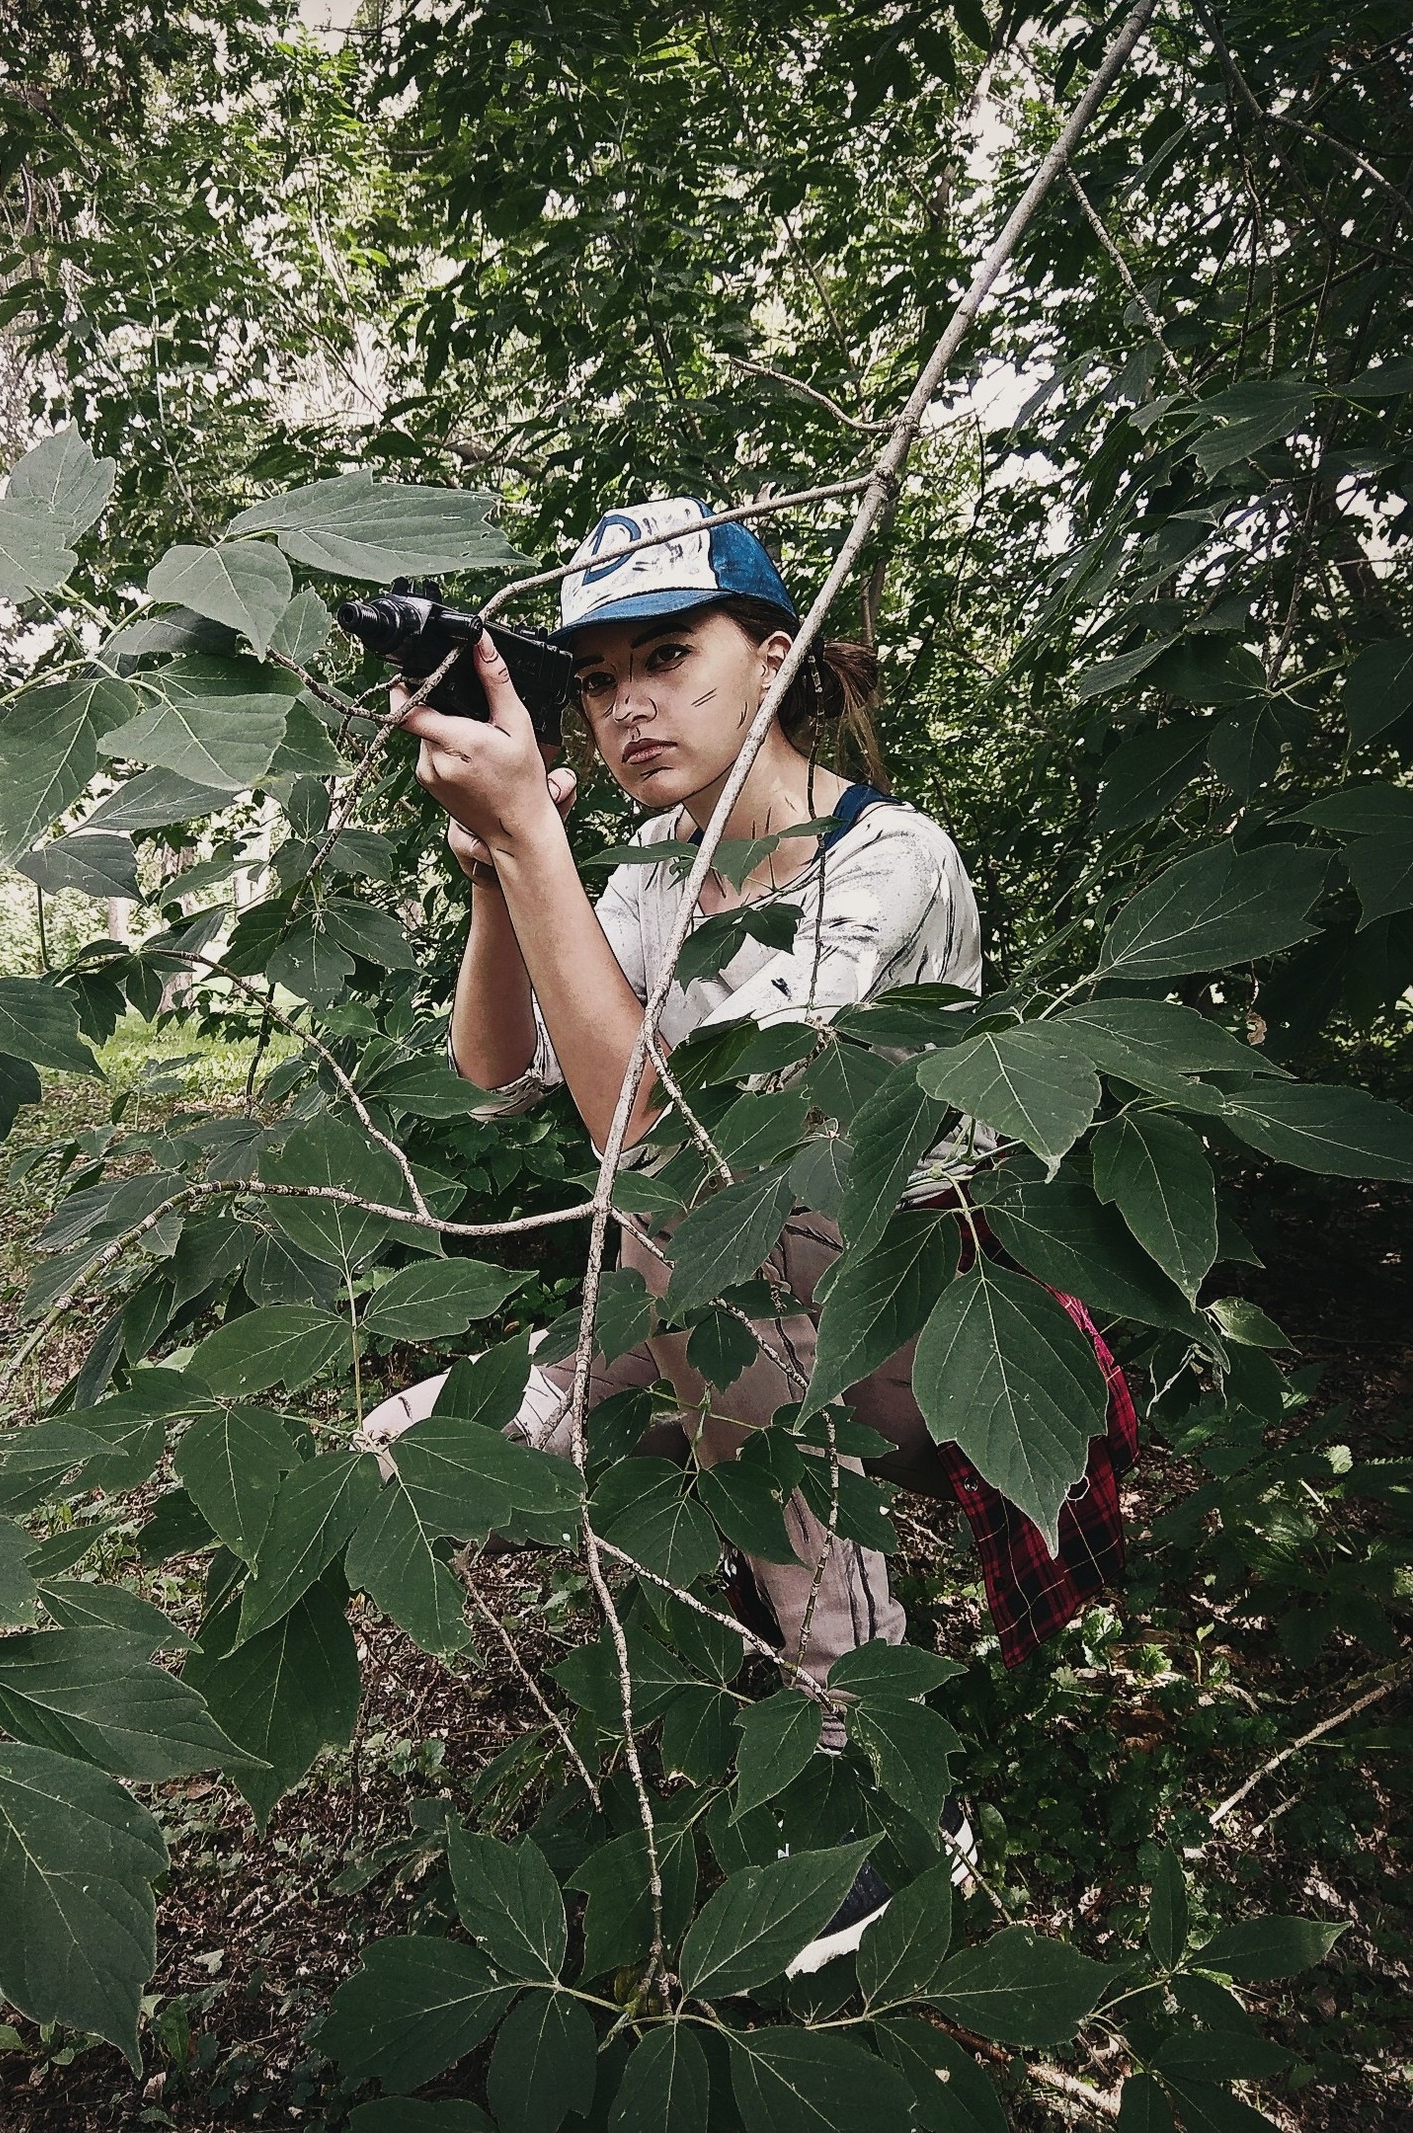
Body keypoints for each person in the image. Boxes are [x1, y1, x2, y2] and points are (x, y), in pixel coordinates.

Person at [362, 496, 1134, 1969]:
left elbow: (672, 1149)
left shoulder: (887, 860)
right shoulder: (658, 864)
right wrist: (495, 869)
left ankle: (878, 1767)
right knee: (414, 1439)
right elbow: (493, 1070)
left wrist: (534, 833)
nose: (626, 702)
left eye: (669, 653)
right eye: (594, 679)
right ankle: (698, 1627)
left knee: (743, 1317)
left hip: (935, 1327)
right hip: (715, 1289)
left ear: (774, 659)